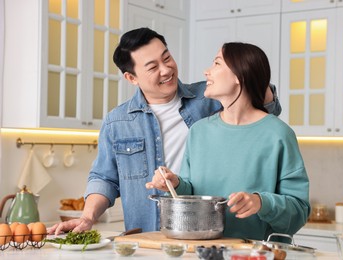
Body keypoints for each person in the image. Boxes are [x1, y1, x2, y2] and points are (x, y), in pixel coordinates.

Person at [47, 28, 281, 235]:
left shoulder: (209, 98)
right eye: (152, 67)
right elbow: (104, 178)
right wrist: (87, 217)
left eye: (167, 57)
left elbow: (269, 108)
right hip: (145, 237)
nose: (166, 69)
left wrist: (246, 76)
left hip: (205, 232)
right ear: (131, 77)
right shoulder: (116, 122)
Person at [146, 42, 310, 240]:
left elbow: (299, 211)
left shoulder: (278, 134)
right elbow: (194, 192)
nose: (207, 72)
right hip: (203, 251)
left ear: (239, 76)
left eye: (216, 63)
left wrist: (261, 203)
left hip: (255, 253)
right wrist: (176, 184)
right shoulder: (199, 131)